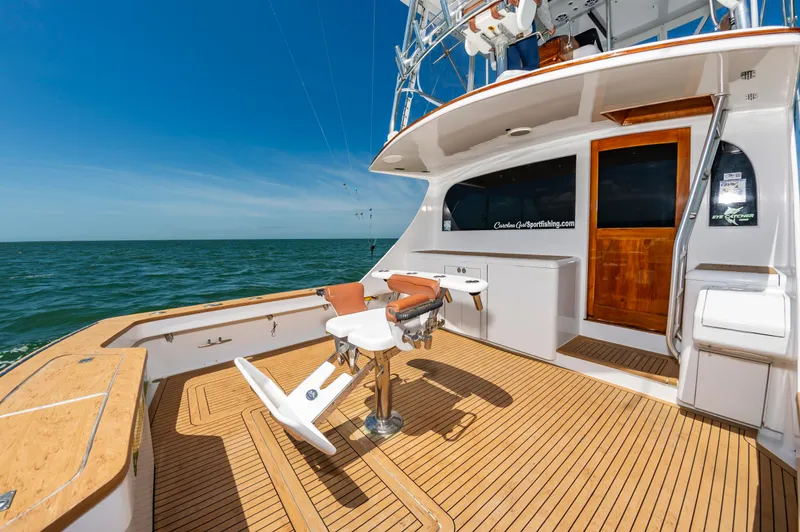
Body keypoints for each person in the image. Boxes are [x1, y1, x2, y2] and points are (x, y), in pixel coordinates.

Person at [507, 0, 556, 71]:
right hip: (524, 25)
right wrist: (550, 27)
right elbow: (542, 8)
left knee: (512, 69)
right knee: (531, 65)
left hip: (504, 25)